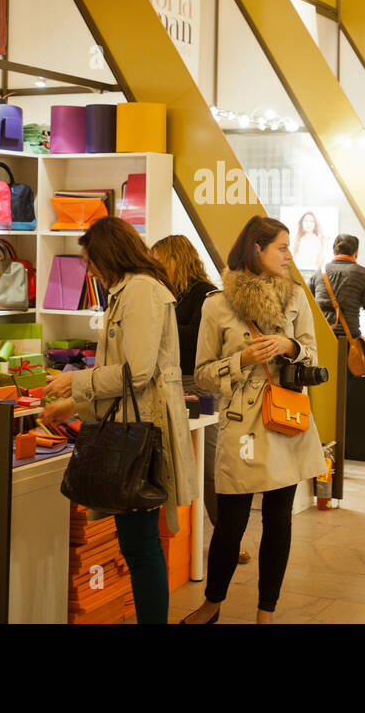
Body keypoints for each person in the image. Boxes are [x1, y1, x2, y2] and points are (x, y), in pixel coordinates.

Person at [41, 218, 197, 622]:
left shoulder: (141, 291)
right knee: (138, 542)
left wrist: (76, 381)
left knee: (141, 546)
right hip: (133, 427)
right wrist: (72, 404)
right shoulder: (129, 290)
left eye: (91, 261)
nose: (90, 270)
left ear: (109, 254)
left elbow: (137, 372)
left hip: (141, 434)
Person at [183, 216, 327, 624]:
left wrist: (290, 344)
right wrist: (242, 359)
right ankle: (212, 604)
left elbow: (314, 357)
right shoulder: (217, 303)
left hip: (284, 418)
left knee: (279, 521)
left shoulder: (296, 298)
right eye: (281, 247)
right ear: (256, 250)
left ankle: (266, 612)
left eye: (287, 247)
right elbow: (204, 374)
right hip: (241, 426)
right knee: (230, 523)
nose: (289, 254)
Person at [150, 234, 250, 567]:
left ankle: (228, 539)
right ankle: (186, 542)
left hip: (201, 386)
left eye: (160, 258)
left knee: (211, 466)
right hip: (172, 383)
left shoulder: (204, 293)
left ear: (176, 259)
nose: (155, 265)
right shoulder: (170, 294)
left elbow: (194, 340)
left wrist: (159, 324)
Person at [308, 234, 365, 340]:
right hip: (348, 341)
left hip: (320, 339)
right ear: (356, 253)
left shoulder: (319, 273)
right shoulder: (364, 274)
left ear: (334, 252)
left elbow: (306, 307)